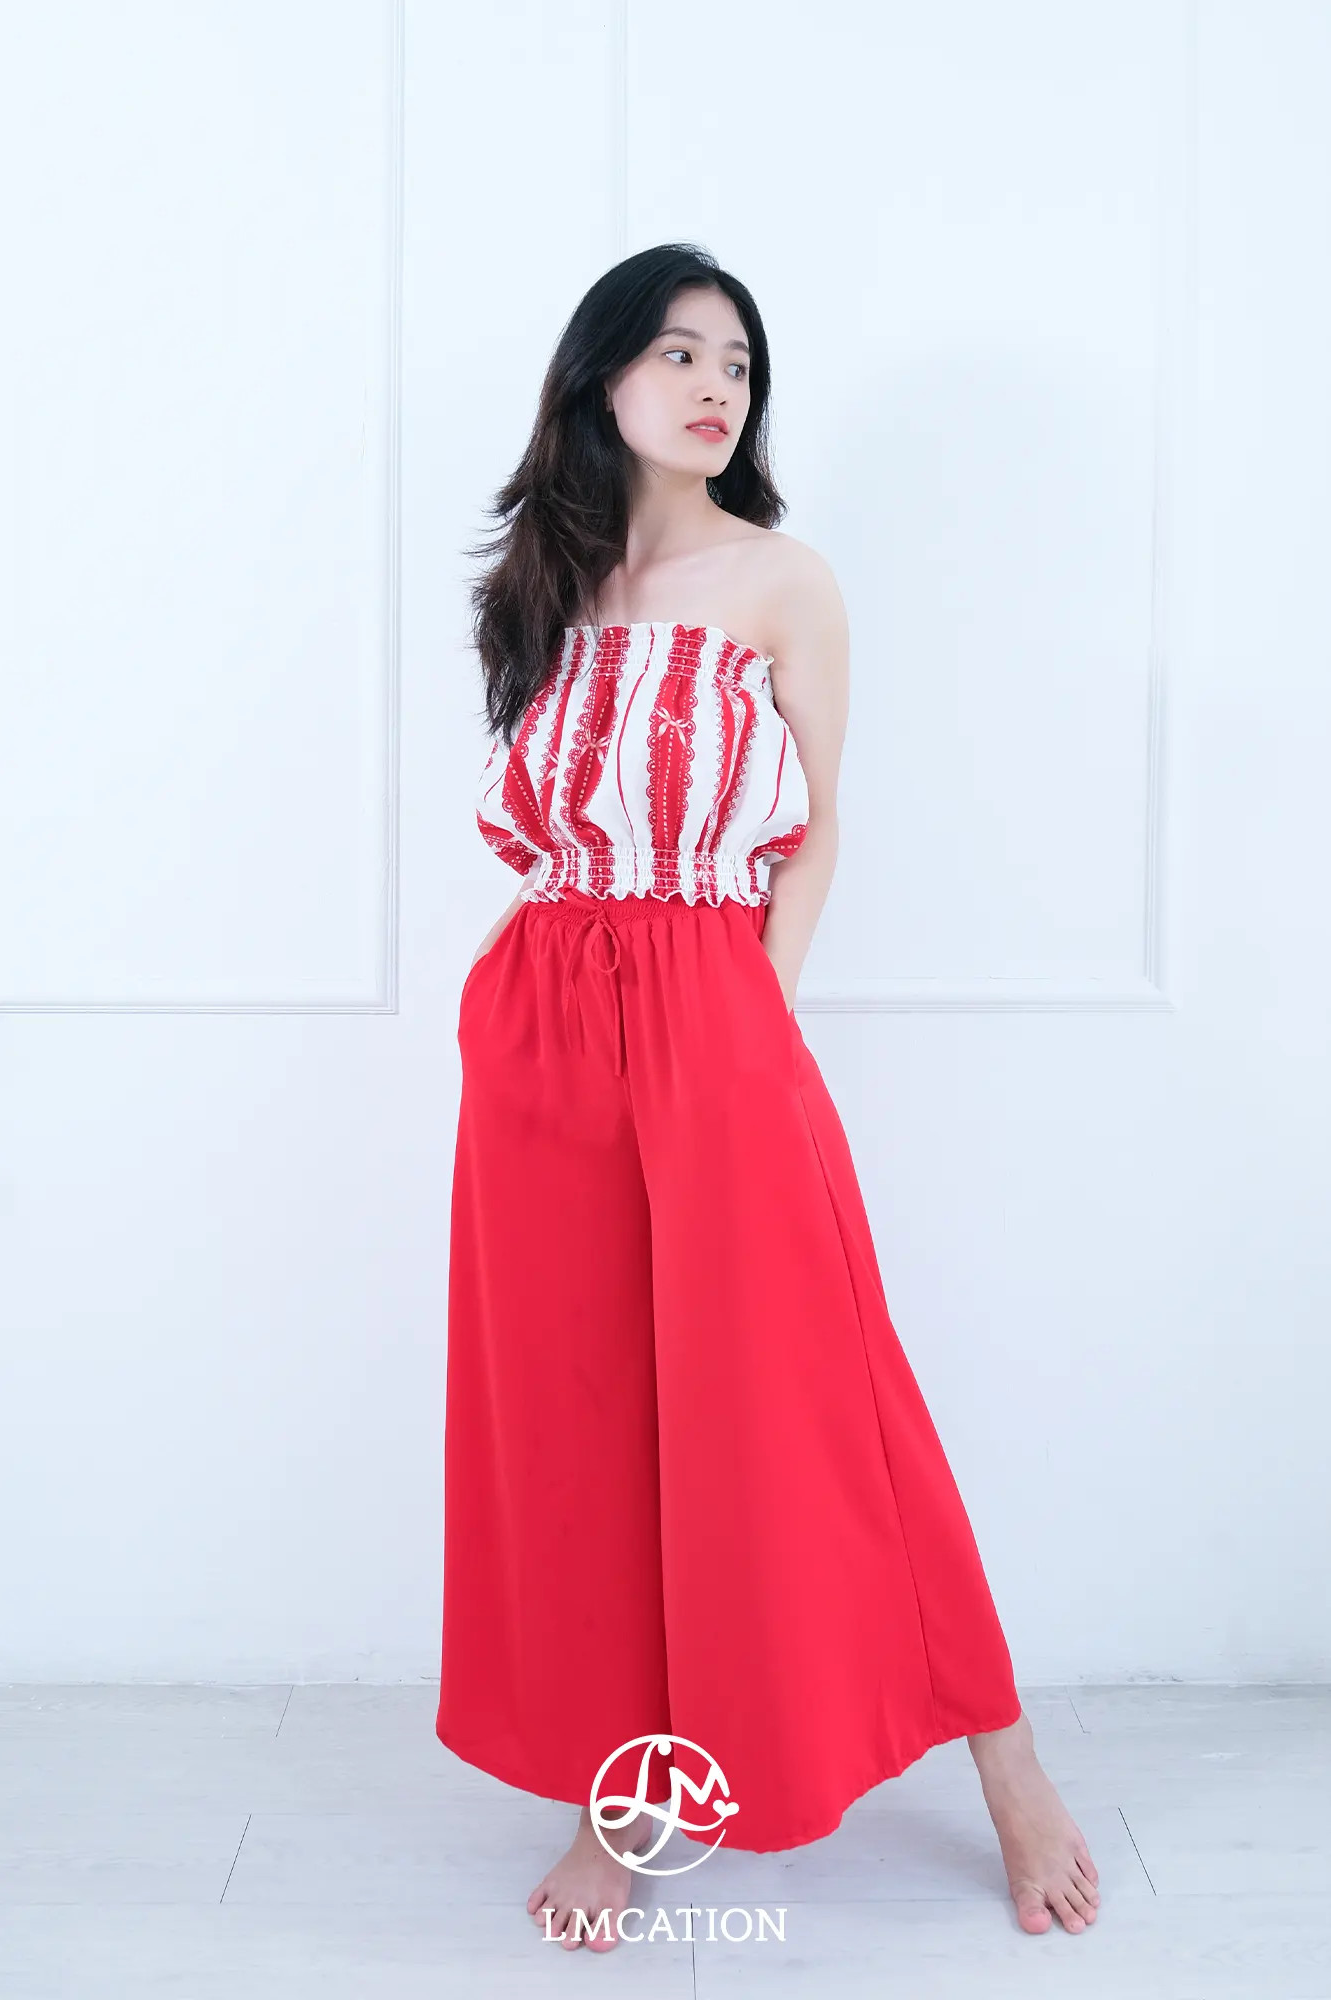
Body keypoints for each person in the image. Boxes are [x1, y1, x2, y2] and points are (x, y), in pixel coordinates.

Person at [436, 243, 1100, 1954]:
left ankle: (1007, 1764)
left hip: (709, 1006)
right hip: (541, 1025)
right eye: (676, 352)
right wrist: (507, 999)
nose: (714, 384)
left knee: (822, 1393)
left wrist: (751, 1019)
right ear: (599, 379)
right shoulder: (551, 586)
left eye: (735, 360)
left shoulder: (781, 580)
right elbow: (549, 824)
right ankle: (621, 1798)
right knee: (585, 1415)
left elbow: (814, 827)